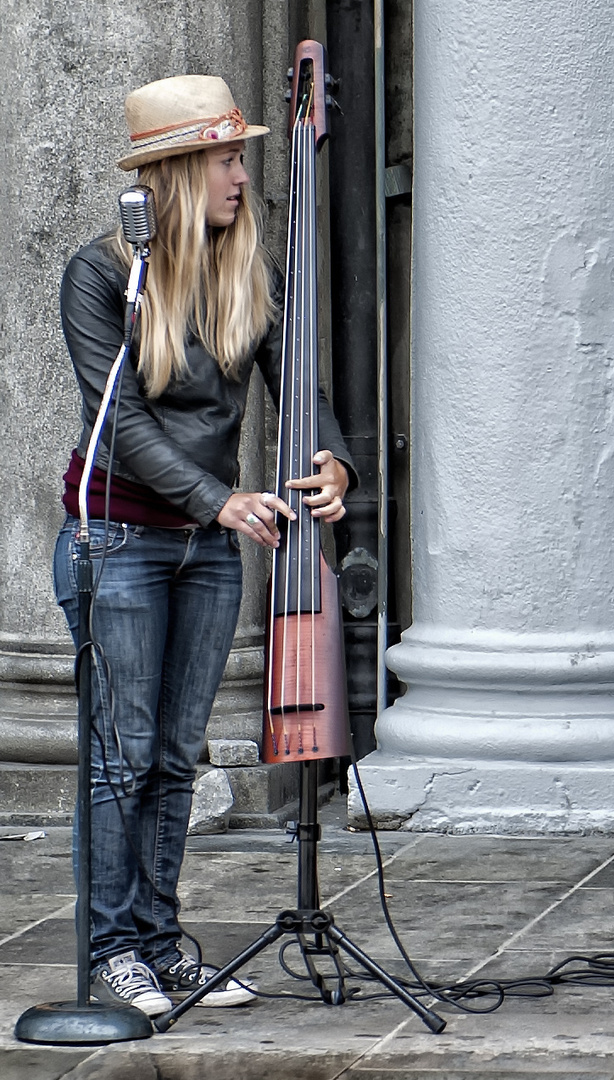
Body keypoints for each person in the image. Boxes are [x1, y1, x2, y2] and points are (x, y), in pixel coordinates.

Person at [57, 74, 354, 1017]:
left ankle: (158, 941)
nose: (241, 174)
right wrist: (220, 498)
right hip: (118, 538)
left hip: (204, 543)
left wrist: (332, 460)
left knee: (178, 756)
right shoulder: (104, 275)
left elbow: (298, 386)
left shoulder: (243, 269)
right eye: (227, 157)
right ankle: (112, 952)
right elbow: (124, 430)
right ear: (177, 172)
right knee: (123, 755)